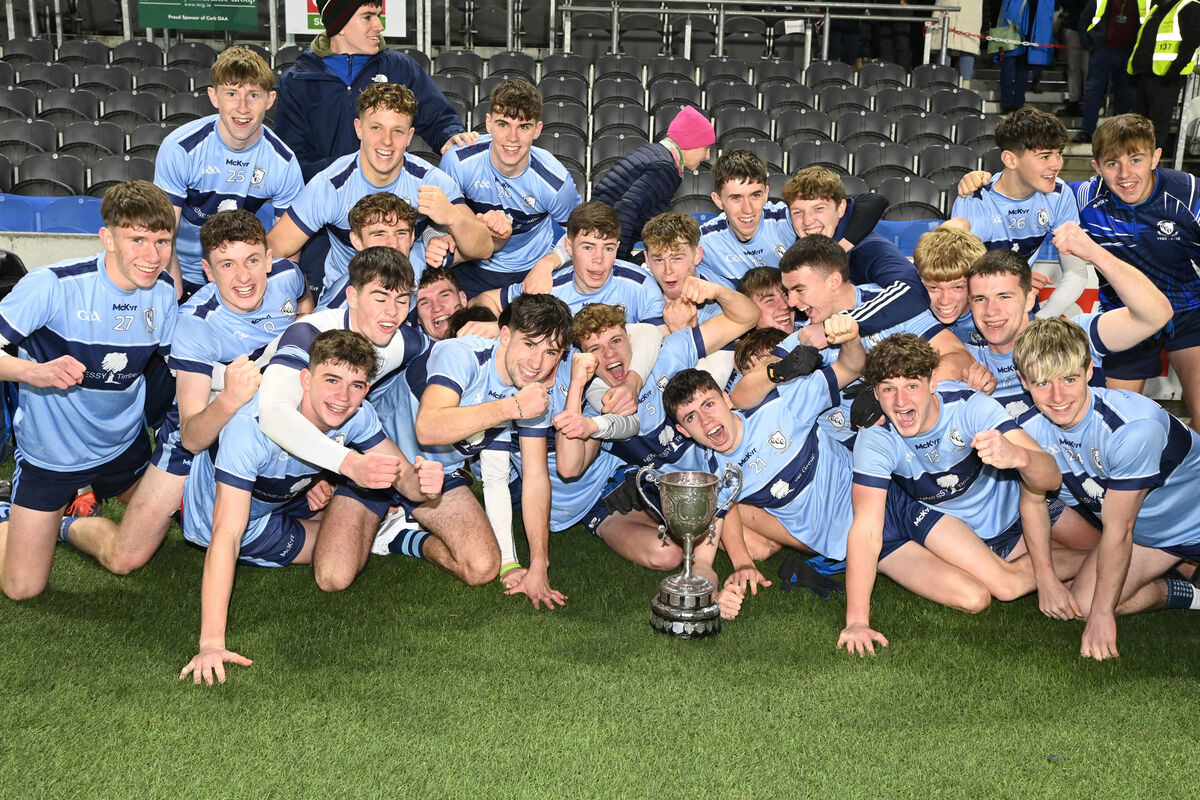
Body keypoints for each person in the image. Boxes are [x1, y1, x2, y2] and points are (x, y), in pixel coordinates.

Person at [178, 329, 444, 684]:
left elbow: (404, 478)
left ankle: (375, 523)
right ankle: (387, 535)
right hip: (232, 521)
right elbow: (227, 534)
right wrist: (211, 642)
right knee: (334, 552)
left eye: (356, 385)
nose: (342, 397)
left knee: (342, 537)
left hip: (286, 496)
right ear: (305, 379)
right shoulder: (250, 430)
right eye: (332, 379)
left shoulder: (357, 415)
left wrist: (424, 484)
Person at [59, 210, 312, 579]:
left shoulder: (288, 276)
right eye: (227, 265)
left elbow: (306, 306)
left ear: (270, 260)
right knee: (125, 557)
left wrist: (304, 325)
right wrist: (229, 397)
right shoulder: (195, 322)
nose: (243, 277)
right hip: (199, 433)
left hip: (264, 427)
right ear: (208, 272)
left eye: (252, 260)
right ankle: (64, 523)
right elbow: (193, 436)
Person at [837, 334, 1073, 657]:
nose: (900, 401)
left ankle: (1115, 563)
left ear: (933, 381)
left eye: (911, 385)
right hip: (931, 515)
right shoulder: (877, 438)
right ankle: (1111, 566)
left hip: (1008, 507)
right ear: (876, 393)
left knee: (1092, 546)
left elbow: (1052, 475)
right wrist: (856, 622)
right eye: (889, 389)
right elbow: (866, 529)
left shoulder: (967, 407)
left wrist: (1020, 457)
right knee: (987, 593)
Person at [0, 181, 178, 601]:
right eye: (137, 239)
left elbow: (181, 368)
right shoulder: (53, 285)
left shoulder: (164, 292)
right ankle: (10, 513)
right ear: (107, 238)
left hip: (122, 448)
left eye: (162, 241)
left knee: (152, 539)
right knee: (22, 588)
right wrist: (32, 372)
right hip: (53, 454)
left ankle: (65, 522)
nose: (152, 256)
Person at [1013, 317, 1200, 660]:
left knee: (1097, 607)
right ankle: (1188, 592)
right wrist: (1047, 579)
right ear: (1024, 382)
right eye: (1042, 383)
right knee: (1081, 604)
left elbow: (1119, 528)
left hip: (1188, 521)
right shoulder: (1028, 431)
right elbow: (1033, 501)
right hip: (1151, 537)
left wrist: (1104, 616)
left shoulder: (1130, 429)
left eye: (1069, 379)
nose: (1057, 397)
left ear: (1087, 371)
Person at [552, 278, 759, 576]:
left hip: (711, 473)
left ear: (629, 338)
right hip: (660, 491)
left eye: (615, 341)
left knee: (762, 545)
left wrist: (716, 291)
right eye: (595, 349)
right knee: (670, 555)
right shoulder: (597, 403)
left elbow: (746, 317)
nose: (609, 355)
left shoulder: (669, 353)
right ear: (585, 358)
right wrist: (576, 385)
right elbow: (569, 468)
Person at [659, 328, 864, 614]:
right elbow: (703, 562)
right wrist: (713, 595)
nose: (706, 422)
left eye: (709, 405)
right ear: (683, 431)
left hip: (875, 506)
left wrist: (848, 334)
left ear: (726, 398)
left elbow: (850, 367)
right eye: (691, 417)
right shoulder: (717, 477)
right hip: (849, 547)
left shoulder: (781, 405)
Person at [413, 294, 574, 607]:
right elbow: (428, 427)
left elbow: (534, 478)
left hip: (438, 476)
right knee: (333, 575)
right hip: (384, 464)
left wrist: (535, 564)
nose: (536, 363)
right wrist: (512, 406)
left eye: (550, 352)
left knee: (482, 567)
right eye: (529, 344)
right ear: (505, 335)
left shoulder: (533, 393)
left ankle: (398, 536)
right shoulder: (461, 354)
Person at [267, 83, 491, 303]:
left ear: (410, 136)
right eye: (376, 128)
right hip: (348, 300)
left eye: (397, 131)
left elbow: (483, 247)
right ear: (359, 128)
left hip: (410, 300)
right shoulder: (331, 186)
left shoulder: (430, 181)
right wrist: (301, 303)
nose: (387, 141)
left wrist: (451, 216)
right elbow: (275, 248)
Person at [962, 228, 1174, 419]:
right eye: (980, 299)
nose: (991, 310)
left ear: (1029, 300)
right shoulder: (964, 358)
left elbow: (1156, 314)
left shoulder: (1071, 336)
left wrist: (1095, 254)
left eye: (1004, 297)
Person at [1073, 114, 1200, 430]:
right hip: (1126, 317)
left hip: (1189, 313)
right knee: (1117, 425)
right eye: (1112, 163)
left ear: (1156, 157)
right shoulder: (1084, 197)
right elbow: (1026, 190)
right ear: (1097, 167)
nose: (1125, 174)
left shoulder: (1190, 194)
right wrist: (982, 179)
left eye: (1136, 159)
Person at [154, 46, 304, 299]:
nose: (243, 108)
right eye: (232, 94)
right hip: (181, 271)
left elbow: (289, 250)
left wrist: (273, 298)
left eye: (254, 95)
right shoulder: (181, 148)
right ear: (214, 97)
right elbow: (162, 236)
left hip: (240, 279)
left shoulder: (283, 163)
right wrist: (175, 297)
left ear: (270, 100)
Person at [274, 0, 472, 182]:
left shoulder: (400, 68)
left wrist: (451, 136)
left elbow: (438, 119)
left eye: (379, 15)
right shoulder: (297, 80)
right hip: (325, 200)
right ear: (339, 25)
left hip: (390, 198)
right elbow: (292, 160)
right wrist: (351, 172)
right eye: (368, 17)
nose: (379, 26)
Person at [438, 79, 582, 297]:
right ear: (488, 124)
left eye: (523, 127)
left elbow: (579, 233)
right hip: (468, 265)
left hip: (529, 269)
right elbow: (437, 218)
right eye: (503, 124)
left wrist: (548, 263)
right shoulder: (458, 161)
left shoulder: (555, 183)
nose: (512, 138)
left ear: (537, 130)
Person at [948, 107, 1088, 319]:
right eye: (1045, 156)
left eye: (1059, 153)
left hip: (1021, 306)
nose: (1057, 164)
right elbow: (956, 279)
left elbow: (1075, 272)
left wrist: (1039, 321)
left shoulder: (1060, 194)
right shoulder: (974, 199)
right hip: (972, 311)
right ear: (1011, 160)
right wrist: (1012, 283)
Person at [782, 166, 932, 335]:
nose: (807, 221)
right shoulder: (795, 253)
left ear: (840, 209)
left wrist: (842, 325)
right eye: (797, 212)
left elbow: (913, 290)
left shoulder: (868, 248)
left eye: (819, 208)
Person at [476, 201, 665, 326]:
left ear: (617, 247)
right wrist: (497, 328)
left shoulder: (640, 284)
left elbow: (658, 344)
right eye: (588, 247)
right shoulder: (549, 288)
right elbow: (485, 300)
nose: (598, 258)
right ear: (569, 247)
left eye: (607, 248)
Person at [590, 105, 715, 262]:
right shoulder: (666, 168)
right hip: (604, 244)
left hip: (599, 238)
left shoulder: (657, 153)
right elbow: (626, 209)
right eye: (706, 148)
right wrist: (618, 261)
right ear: (691, 143)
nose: (708, 156)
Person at [317, 192, 419, 309]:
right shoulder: (344, 302)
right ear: (357, 241)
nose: (393, 244)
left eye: (401, 233)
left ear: (412, 237)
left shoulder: (429, 264)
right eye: (380, 234)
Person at [1128, 0, 1200, 152]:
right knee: (1137, 124)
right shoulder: (1157, 9)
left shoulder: (1189, 6)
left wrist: (1174, 70)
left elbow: (1192, 40)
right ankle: (1137, 159)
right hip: (1145, 75)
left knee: (1157, 124)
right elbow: (1143, 41)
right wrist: (1135, 69)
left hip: (1166, 78)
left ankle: (1150, 164)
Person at [1076, 0, 1145, 142]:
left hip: (1128, 52)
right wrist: (1087, 42)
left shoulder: (1144, 2)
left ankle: (1119, 133)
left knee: (1125, 95)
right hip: (1103, 50)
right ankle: (1087, 130)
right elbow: (1084, 18)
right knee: (1093, 91)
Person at [913, 225, 988, 345]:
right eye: (934, 288)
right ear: (919, 279)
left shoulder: (996, 316)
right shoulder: (910, 317)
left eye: (958, 287)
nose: (945, 301)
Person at [994, 0, 1055, 112]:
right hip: (1027, 37)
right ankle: (1018, 103)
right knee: (1022, 71)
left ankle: (1006, 103)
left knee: (1007, 69)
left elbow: (1004, 13)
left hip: (1009, 34)